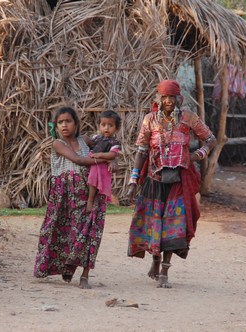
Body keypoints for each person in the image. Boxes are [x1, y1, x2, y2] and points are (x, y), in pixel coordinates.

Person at [126, 79, 216, 288]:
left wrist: (199, 154)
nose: (168, 101)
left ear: (178, 98)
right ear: (159, 98)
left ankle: (165, 271)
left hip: (180, 179)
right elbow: (141, 151)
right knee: (155, 223)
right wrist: (133, 180)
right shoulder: (150, 120)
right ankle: (156, 260)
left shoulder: (188, 118)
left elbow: (210, 139)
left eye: (172, 97)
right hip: (155, 179)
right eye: (164, 97)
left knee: (174, 226)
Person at [34, 106, 109, 289]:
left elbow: (108, 145)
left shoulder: (85, 140)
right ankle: (66, 267)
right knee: (61, 232)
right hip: (65, 197)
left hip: (90, 193)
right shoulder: (58, 144)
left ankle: (84, 275)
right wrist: (104, 160)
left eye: (68, 121)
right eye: (60, 122)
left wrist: (112, 158)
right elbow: (78, 160)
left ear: (76, 124)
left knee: (90, 233)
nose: (64, 125)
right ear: (56, 126)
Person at [86, 110, 122, 212]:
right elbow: (88, 147)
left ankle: (90, 200)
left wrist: (100, 155)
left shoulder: (114, 142)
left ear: (116, 128)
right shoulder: (95, 138)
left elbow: (112, 154)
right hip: (91, 162)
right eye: (103, 125)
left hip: (101, 167)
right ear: (99, 126)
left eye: (110, 125)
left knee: (93, 177)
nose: (106, 128)